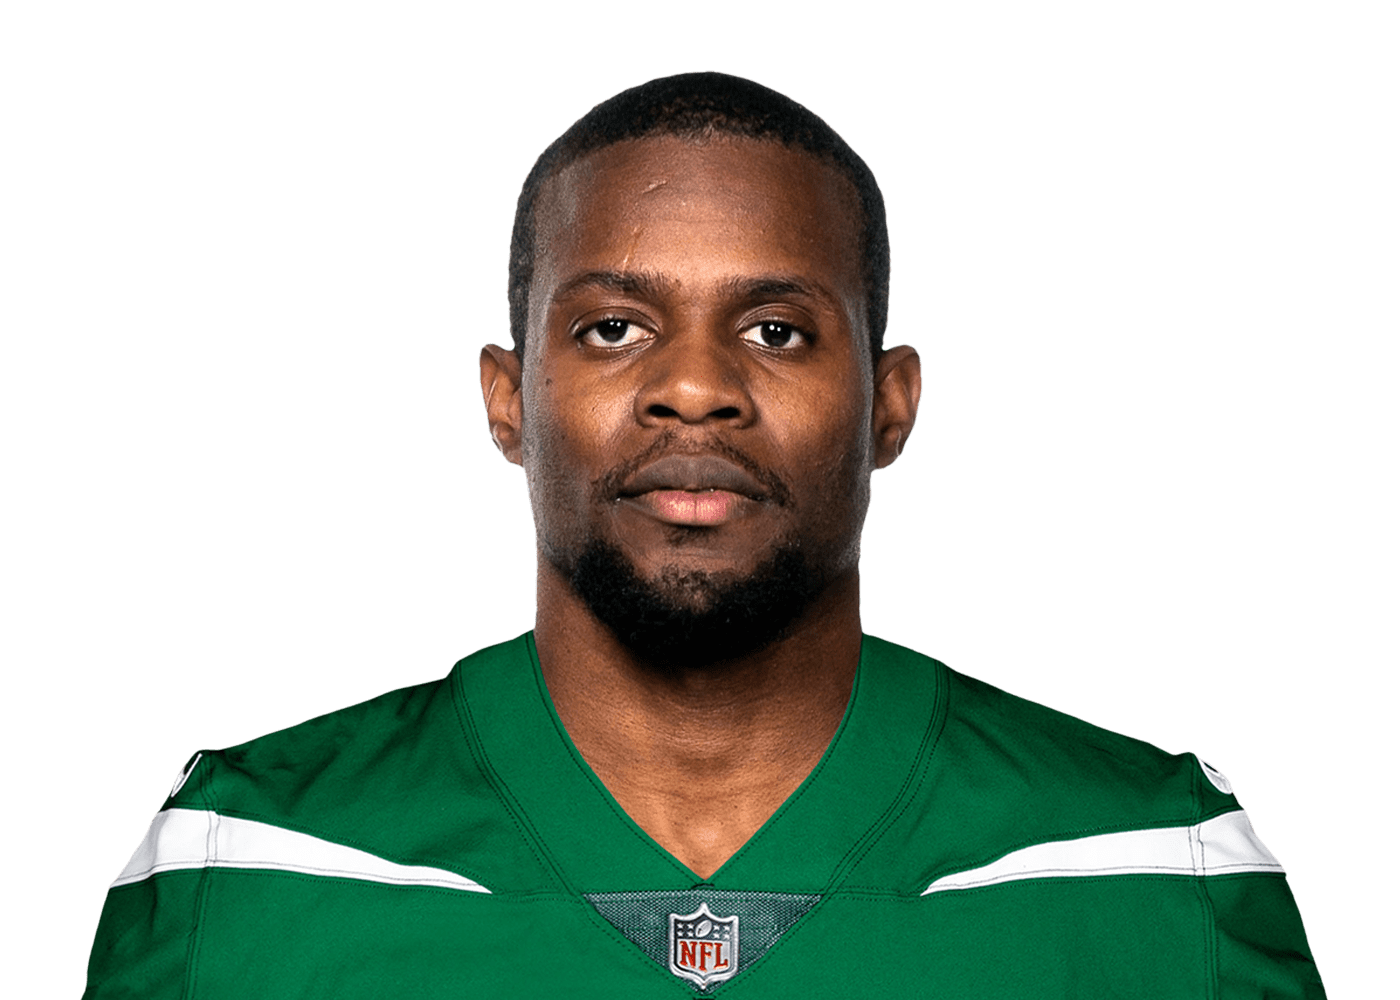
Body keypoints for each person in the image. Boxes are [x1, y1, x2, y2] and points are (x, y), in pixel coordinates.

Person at [82, 72, 1325, 998]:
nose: (693, 387)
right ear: (507, 400)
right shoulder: (253, 861)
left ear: (888, 405)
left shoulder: (1149, 862)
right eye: (612, 328)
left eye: (776, 330)